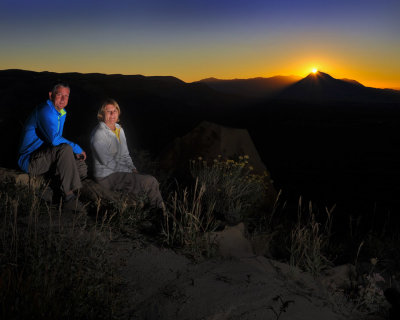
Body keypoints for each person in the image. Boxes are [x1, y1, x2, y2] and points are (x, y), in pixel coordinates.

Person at [17, 82, 87, 212]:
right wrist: (76, 148)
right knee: (66, 149)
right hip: (30, 160)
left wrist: (72, 155)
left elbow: (55, 145)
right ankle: (69, 199)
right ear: (51, 95)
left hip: (45, 156)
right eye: (59, 94)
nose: (63, 99)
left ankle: (51, 191)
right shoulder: (44, 111)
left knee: (81, 167)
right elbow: (54, 140)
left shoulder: (61, 113)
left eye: (66, 96)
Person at [90, 99, 164, 210]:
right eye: (108, 111)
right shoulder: (99, 134)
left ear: (118, 112)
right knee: (150, 182)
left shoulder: (119, 129)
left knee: (145, 181)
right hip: (106, 176)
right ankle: (160, 214)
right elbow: (108, 163)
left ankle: (151, 210)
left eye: (114, 110)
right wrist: (129, 171)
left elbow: (125, 155)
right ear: (101, 114)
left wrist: (133, 169)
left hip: (119, 172)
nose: (112, 114)